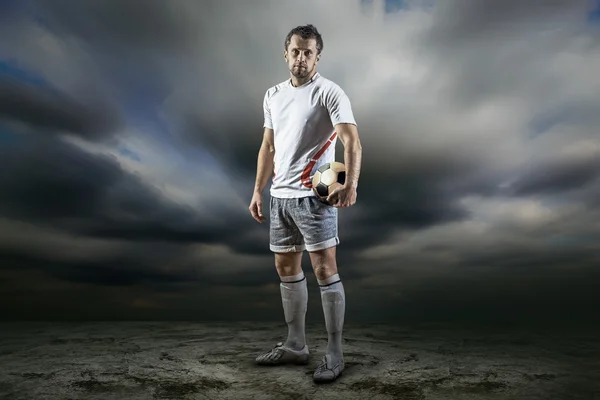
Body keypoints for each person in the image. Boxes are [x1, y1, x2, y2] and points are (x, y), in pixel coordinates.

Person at [249, 24, 362, 383]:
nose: (301, 58)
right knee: (285, 269)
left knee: (325, 270)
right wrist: (257, 190)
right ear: (286, 53)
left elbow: (352, 142)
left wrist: (351, 185)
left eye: (308, 52)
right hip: (280, 197)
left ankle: (334, 353)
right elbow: (268, 146)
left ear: (317, 56)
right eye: (296, 51)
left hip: (315, 198)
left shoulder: (330, 92)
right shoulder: (272, 95)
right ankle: (296, 346)